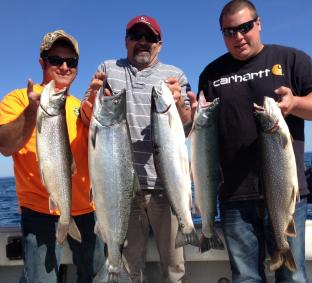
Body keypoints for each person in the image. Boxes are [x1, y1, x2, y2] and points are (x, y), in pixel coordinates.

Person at [197, 0, 312, 282]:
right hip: (234, 196)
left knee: (292, 277)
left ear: (259, 23)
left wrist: (295, 103)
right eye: (229, 31)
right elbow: (202, 129)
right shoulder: (211, 74)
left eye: (245, 28)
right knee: (245, 278)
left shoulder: (292, 59)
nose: (238, 37)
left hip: (287, 193)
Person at [80, 15, 192, 283]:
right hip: (120, 189)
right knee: (129, 269)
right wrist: (92, 97)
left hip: (167, 188)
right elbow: (87, 119)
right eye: (136, 36)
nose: (143, 42)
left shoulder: (175, 75)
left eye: (150, 38)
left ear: (160, 44)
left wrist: (177, 104)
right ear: (126, 41)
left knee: (174, 269)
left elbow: (186, 128)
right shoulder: (107, 68)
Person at [0, 30, 105, 283]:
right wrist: (31, 111)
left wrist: (98, 106)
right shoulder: (18, 99)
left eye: (72, 62)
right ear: (42, 62)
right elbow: (5, 145)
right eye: (56, 59)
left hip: (86, 211)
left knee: (99, 277)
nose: (64, 66)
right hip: (39, 211)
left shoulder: (81, 106)